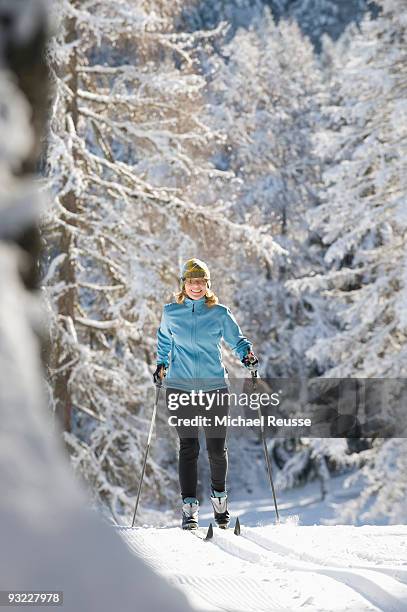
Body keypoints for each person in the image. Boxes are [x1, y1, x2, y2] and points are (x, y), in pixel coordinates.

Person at [153, 258, 258, 530]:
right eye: (191, 281)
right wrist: (161, 364)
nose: (196, 286)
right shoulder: (171, 312)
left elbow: (237, 339)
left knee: (216, 449)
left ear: (207, 284)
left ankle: (220, 503)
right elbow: (163, 340)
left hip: (214, 387)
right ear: (184, 284)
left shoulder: (220, 312)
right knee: (189, 448)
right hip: (180, 387)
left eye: (200, 281)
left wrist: (246, 355)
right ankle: (189, 509)